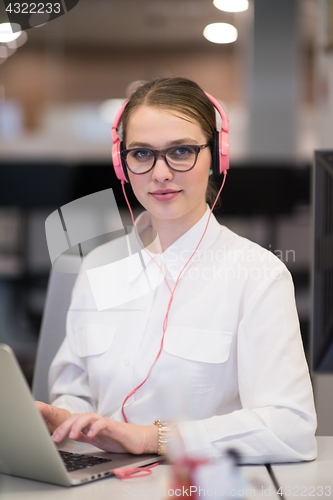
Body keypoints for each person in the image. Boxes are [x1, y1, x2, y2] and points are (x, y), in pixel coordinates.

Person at [36, 77, 317, 463]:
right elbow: (75, 392)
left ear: (217, 156)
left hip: (197, 484)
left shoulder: (258, 275)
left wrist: (154, 438)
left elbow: (291, 428)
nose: (161, 173)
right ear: (122, 163)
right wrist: (63, 417)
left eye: (181, 151)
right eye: (141, 154)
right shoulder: (98, 266)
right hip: (98, 482)